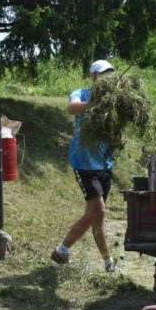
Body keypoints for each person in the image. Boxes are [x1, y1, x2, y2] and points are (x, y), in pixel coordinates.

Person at [51, 59, 116, 273]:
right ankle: (108, 262)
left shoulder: (115, 99)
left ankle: (63, 250)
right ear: (94, 76)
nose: (106, 77)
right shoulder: (81, 93)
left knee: (96, 214)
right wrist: (94, 105)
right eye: (102, 73)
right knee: (99, 209)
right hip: (84, 161)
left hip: (105, 163)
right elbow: (71, 108)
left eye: (109, 73)